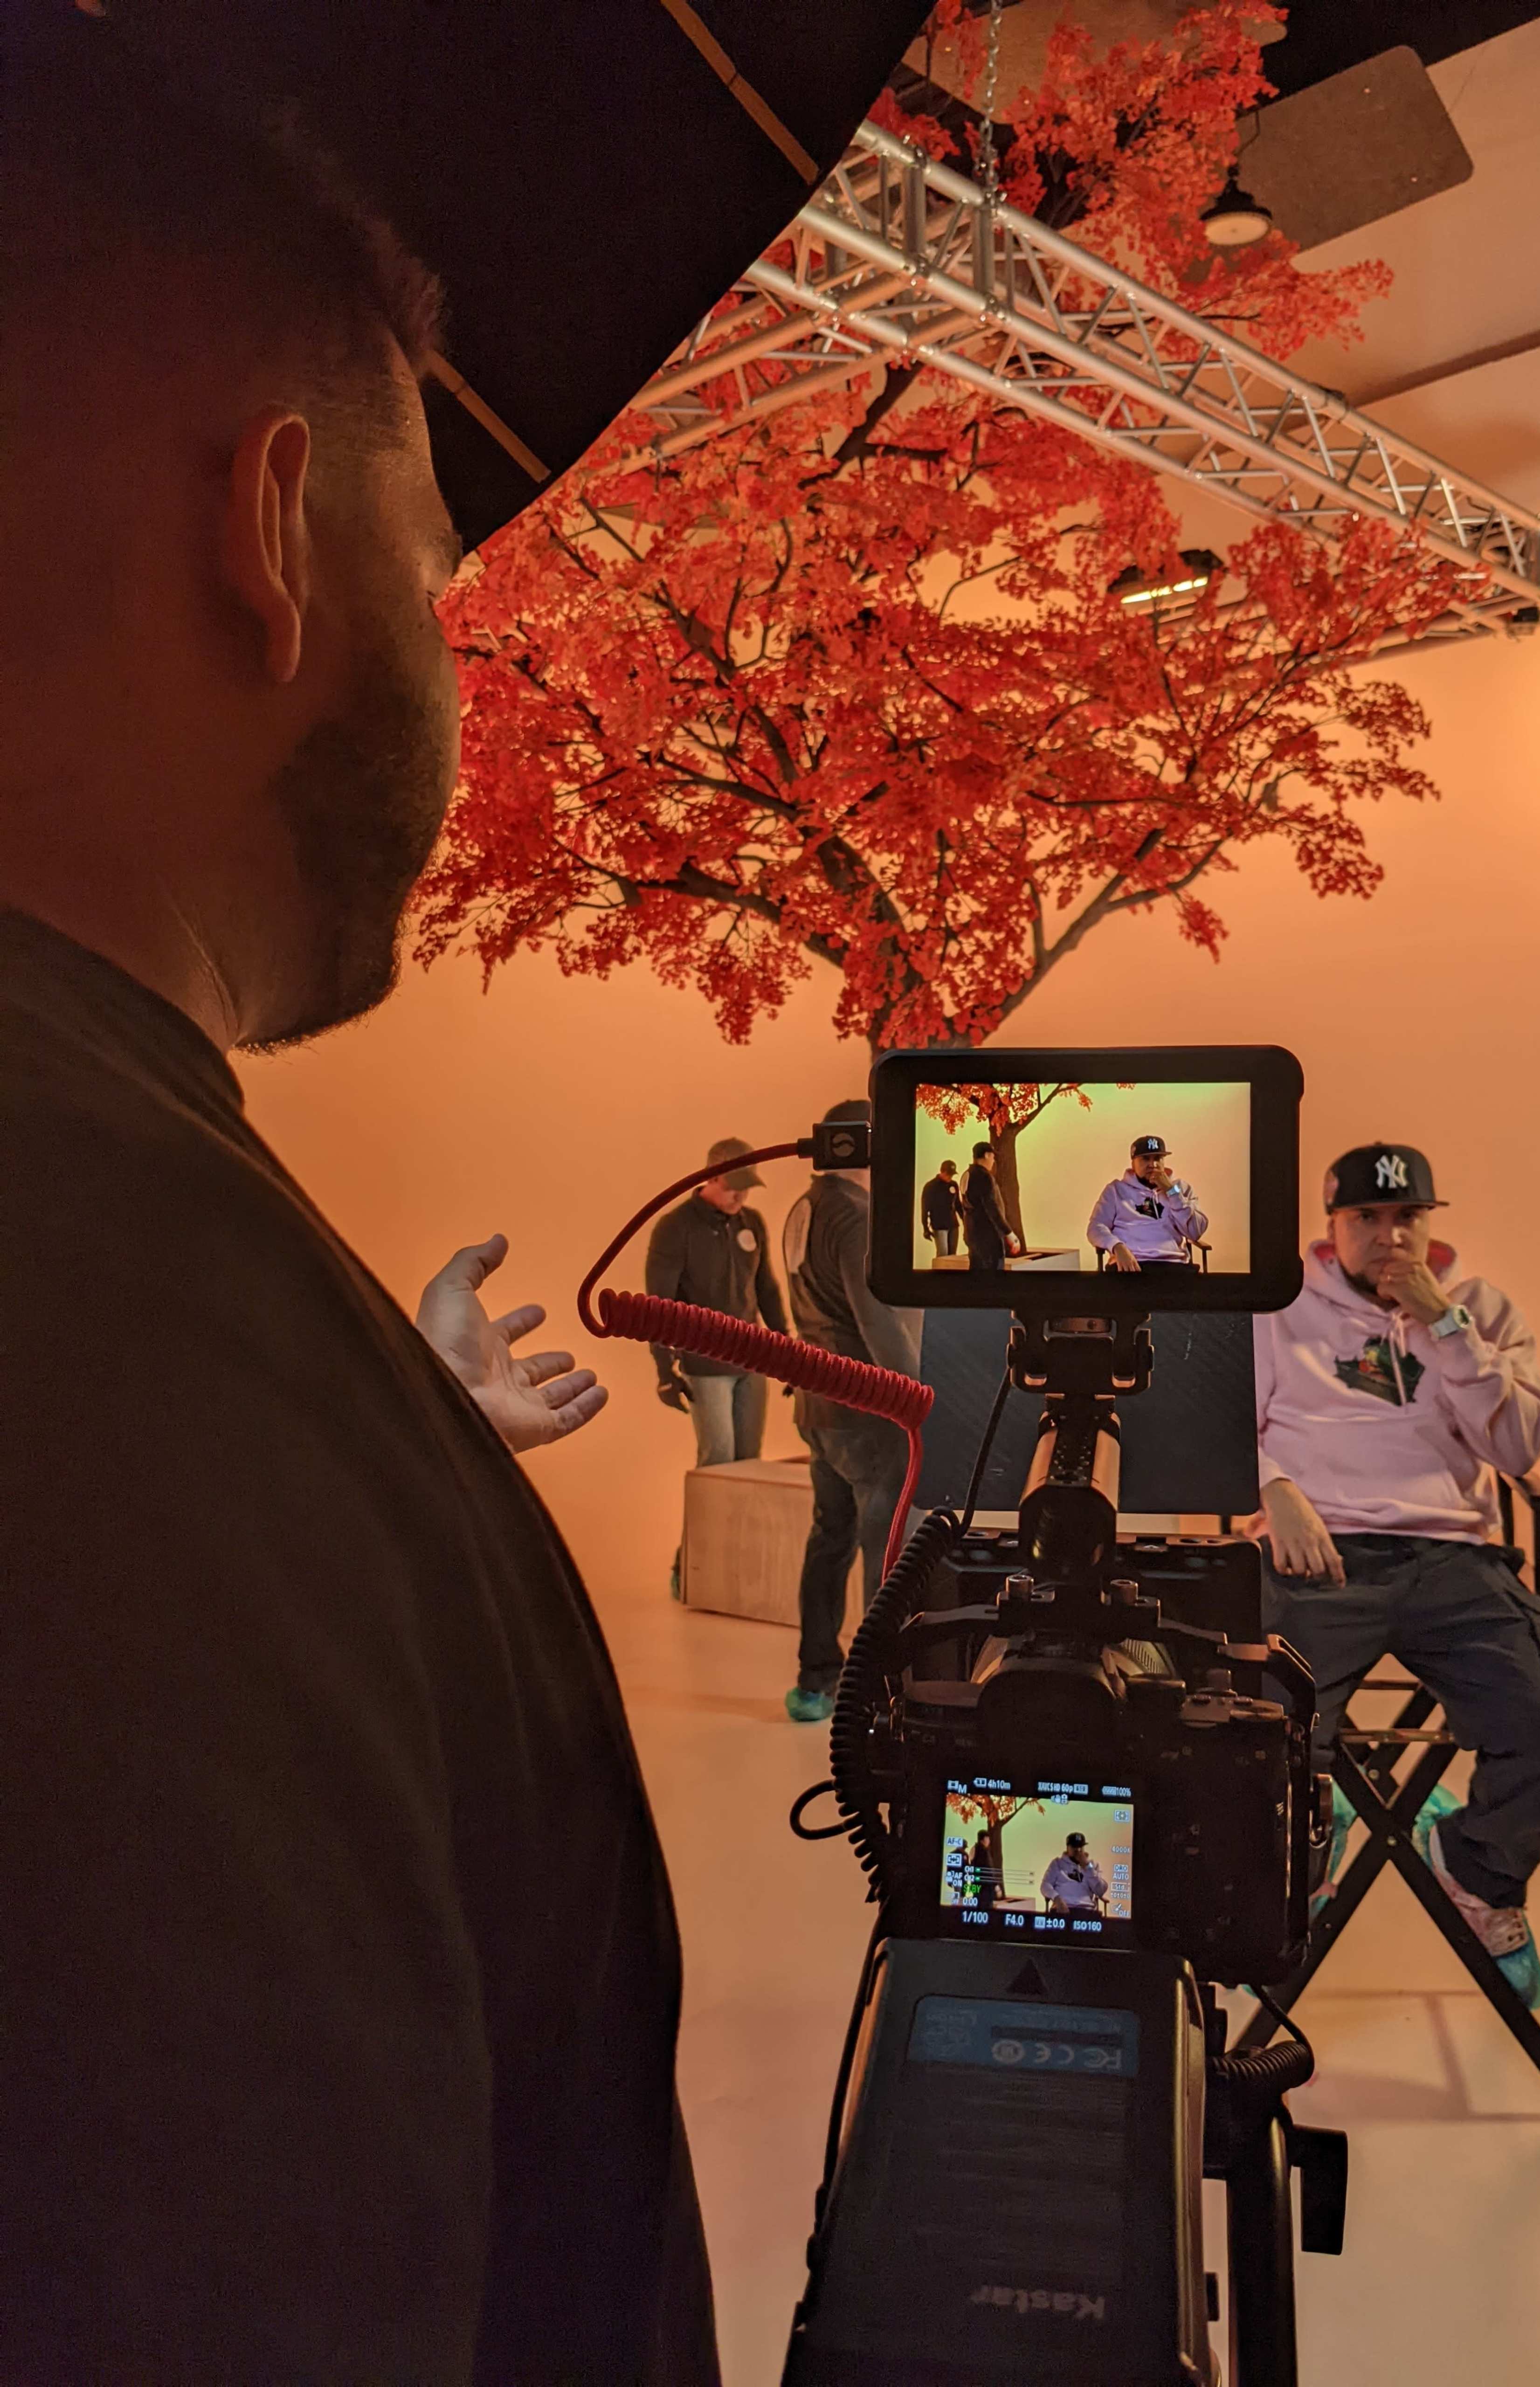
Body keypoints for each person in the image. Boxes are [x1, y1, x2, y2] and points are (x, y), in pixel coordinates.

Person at [0, 25, 715, 2380]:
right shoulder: (122, 1349)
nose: (455, 670)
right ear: (274, 526)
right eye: (442, 574)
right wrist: (260, 1471)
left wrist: (345, 1476)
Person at [1254, 1142, 1540, 2010]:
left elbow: (1520, 1447)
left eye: (1406, 1217)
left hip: (1455, 1559)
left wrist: (1446, 1327)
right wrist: (1273, 1489)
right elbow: (1218, 1426)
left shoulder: (1480, 1309)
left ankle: (1478, 1871)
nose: (1388, 1236)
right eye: (1367, 1217)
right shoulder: (1278, 1305)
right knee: (1260, 1735)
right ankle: (1297, 1867)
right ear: (1332, 1228)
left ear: (1430, 1224)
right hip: (1318, 1550)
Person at [781, 1097, 920, 1723]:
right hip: (868, 1414)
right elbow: (880, 1328)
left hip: (818, 1406)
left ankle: (816, 1680)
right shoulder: (860, 1219)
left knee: (830, 1538)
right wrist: (919, 1401)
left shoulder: (805, 1208)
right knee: (884, 1550)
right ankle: (874, 1694)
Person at [646, 1135, 788, 1466]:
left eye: (747, 1187)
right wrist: (665, 1371)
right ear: (711, 1177)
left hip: (753, 1360)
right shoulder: (676, 1227)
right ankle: (711, 1520)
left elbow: (766, 1287)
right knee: (718, 1458)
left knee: (750, 1460)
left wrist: (787, 1349)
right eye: (732, 1186)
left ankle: (740, 1521)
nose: (740, 1195)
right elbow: (658, 1306)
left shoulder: (752, 1222)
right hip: (706, 1363)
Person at [1087, 1134, 1208, 1272]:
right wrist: (1116, 1246)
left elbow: (1195, 1233)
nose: (1153, 1165)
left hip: (1173, 1265)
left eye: (1158, 1158)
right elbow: (1096, 1227)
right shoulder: (1116, 1190)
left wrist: (1171, 1191)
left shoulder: (1181, 1188)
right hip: (1131, 1265)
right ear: (1133, 1163)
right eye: (1146, 1159)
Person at [962, 1139, 1020, 1270]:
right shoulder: (984, 1177)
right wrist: (1009, 1234)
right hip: (989, 1239)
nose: (993, 1161)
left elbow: (965, 1208)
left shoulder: (967, 1175)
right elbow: (992, 1208)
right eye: (993, 1157)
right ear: (987, 1155)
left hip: (973, 1236)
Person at [1040, 1831, 1109, 1916]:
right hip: (1063, 1908)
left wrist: (1088, 1867)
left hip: (1086, 1910)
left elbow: (1100, 1891)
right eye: (1074, 1847)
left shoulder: (1093, 1865)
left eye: (1081, 1847)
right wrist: (1057, 1898)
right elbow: (1045, 1885)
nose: (1078, 1850)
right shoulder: (1057, 1863)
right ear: (1068, 1848)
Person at [921, 1155, 965, 1259]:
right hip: (939, 1225)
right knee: (943, 1255)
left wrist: (965, 1220)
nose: (950, 1177)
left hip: (953, 1225)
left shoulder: (954, 1185)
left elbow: (958, 1204)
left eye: (952, 1175)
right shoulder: (931, 1187)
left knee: (953, 1256)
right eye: (948, 1174)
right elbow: (925, 1209)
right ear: (942, 1172)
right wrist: (926, 1228)